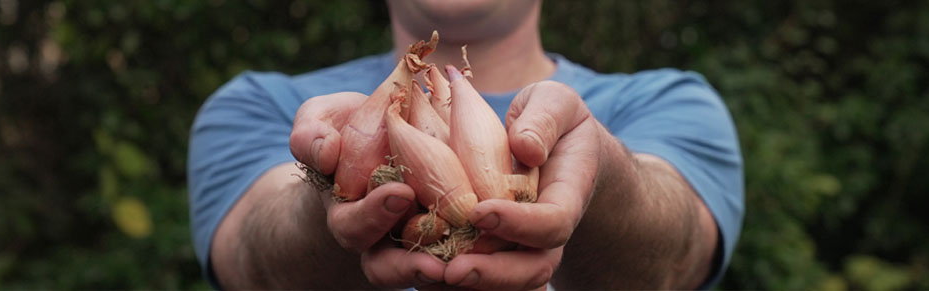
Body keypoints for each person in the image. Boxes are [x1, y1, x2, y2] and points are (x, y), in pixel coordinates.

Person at [188, 0, 743, 289]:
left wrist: (595, 169)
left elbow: (676, 262)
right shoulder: (258, 105)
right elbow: (252, 271)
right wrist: (338, 180)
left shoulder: (670, 102)